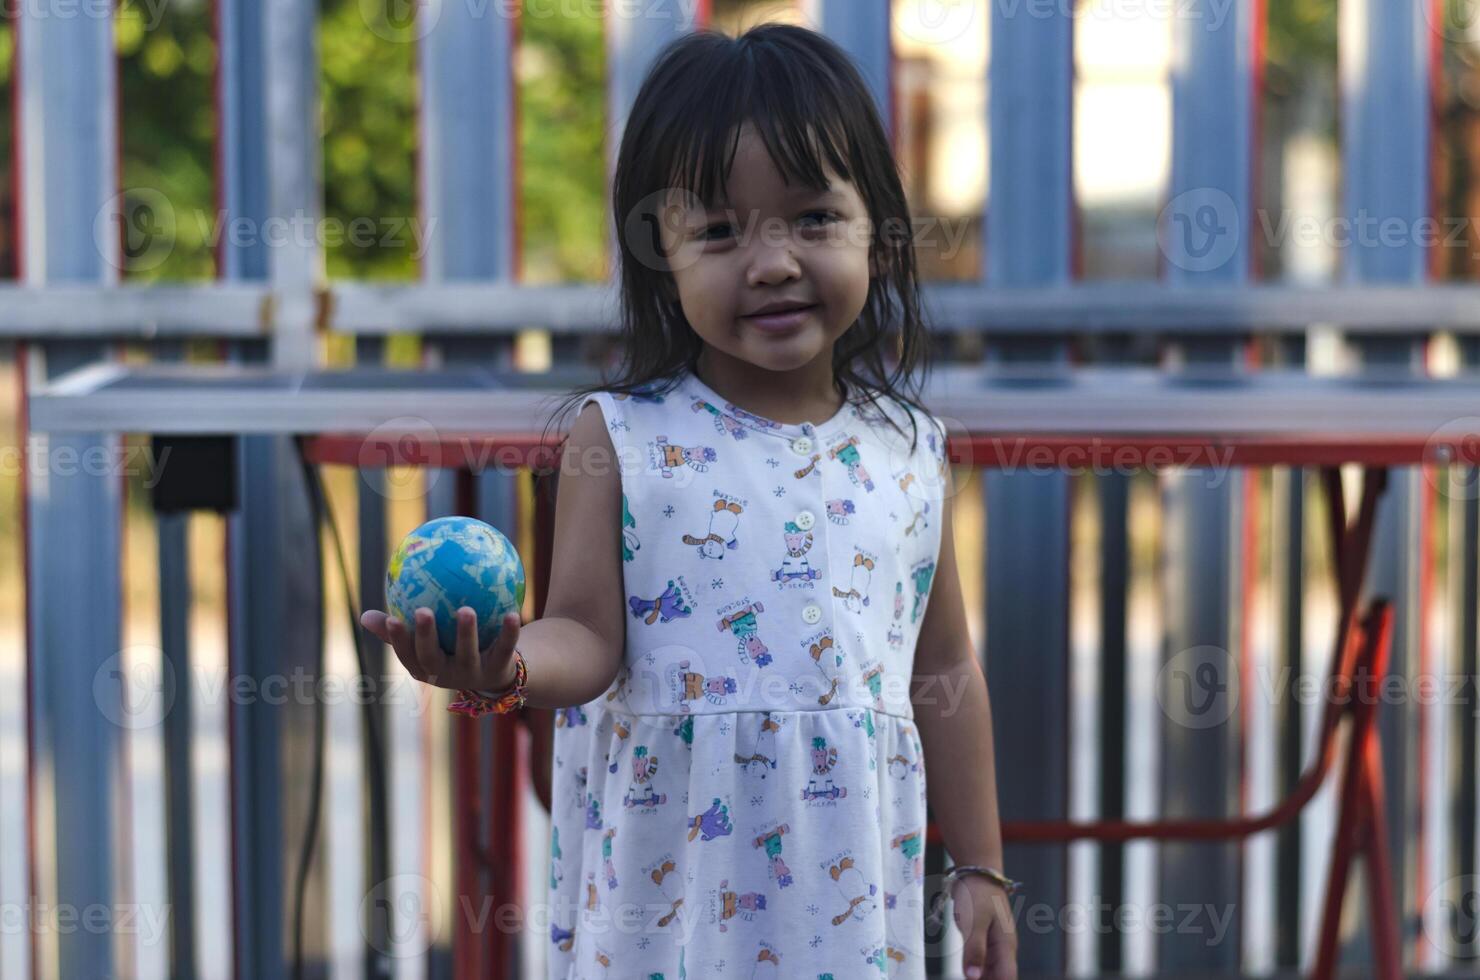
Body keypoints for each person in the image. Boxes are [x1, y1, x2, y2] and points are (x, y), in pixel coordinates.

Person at [362, 22, 1018, 980]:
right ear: (660, 257)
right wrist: (498, 665)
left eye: (812, 218)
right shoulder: (621, 440)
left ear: (876, 225)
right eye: (718, 231)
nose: (771, 262)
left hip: (845, 925)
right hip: (664, 919)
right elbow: (583, 635)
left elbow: (943, 667)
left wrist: (984, 868)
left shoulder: (909, 450)